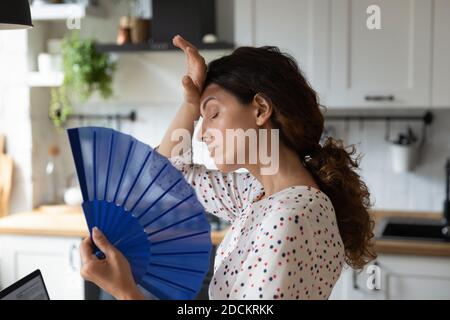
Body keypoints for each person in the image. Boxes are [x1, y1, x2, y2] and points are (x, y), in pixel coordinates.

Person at [79, 35, 375, 300]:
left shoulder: (289, 217)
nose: (201, 132)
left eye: (213, 114)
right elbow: (168, 177)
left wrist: (125, 292)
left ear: (259, 109)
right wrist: (190, 105)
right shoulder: (258, 193)